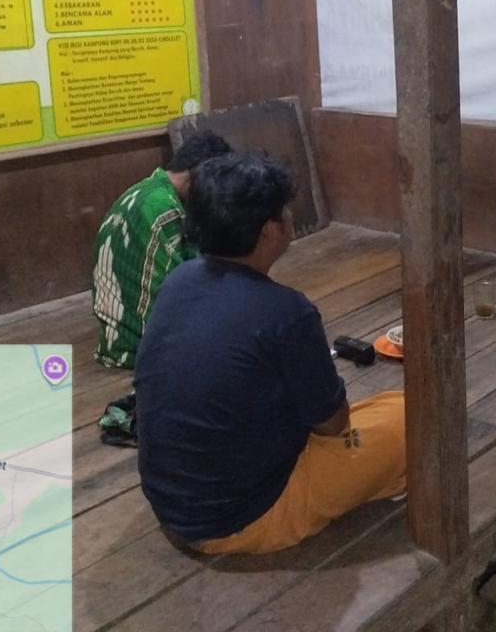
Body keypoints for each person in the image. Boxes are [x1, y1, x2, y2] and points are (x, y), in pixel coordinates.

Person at [133, 153, 405, 555]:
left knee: (387, 408)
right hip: (240, 518)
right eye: (284, 210)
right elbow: (332, 425)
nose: (289, 217)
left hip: (171, 503)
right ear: (269, 230)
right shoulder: (287, 312)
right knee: (413, 419)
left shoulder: (179, 280)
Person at [91, 128, 233, 369]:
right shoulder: (164, 208)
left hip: (118, 335)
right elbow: (188, 284)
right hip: (141, 345)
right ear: (199, 174)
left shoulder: (147, 190)